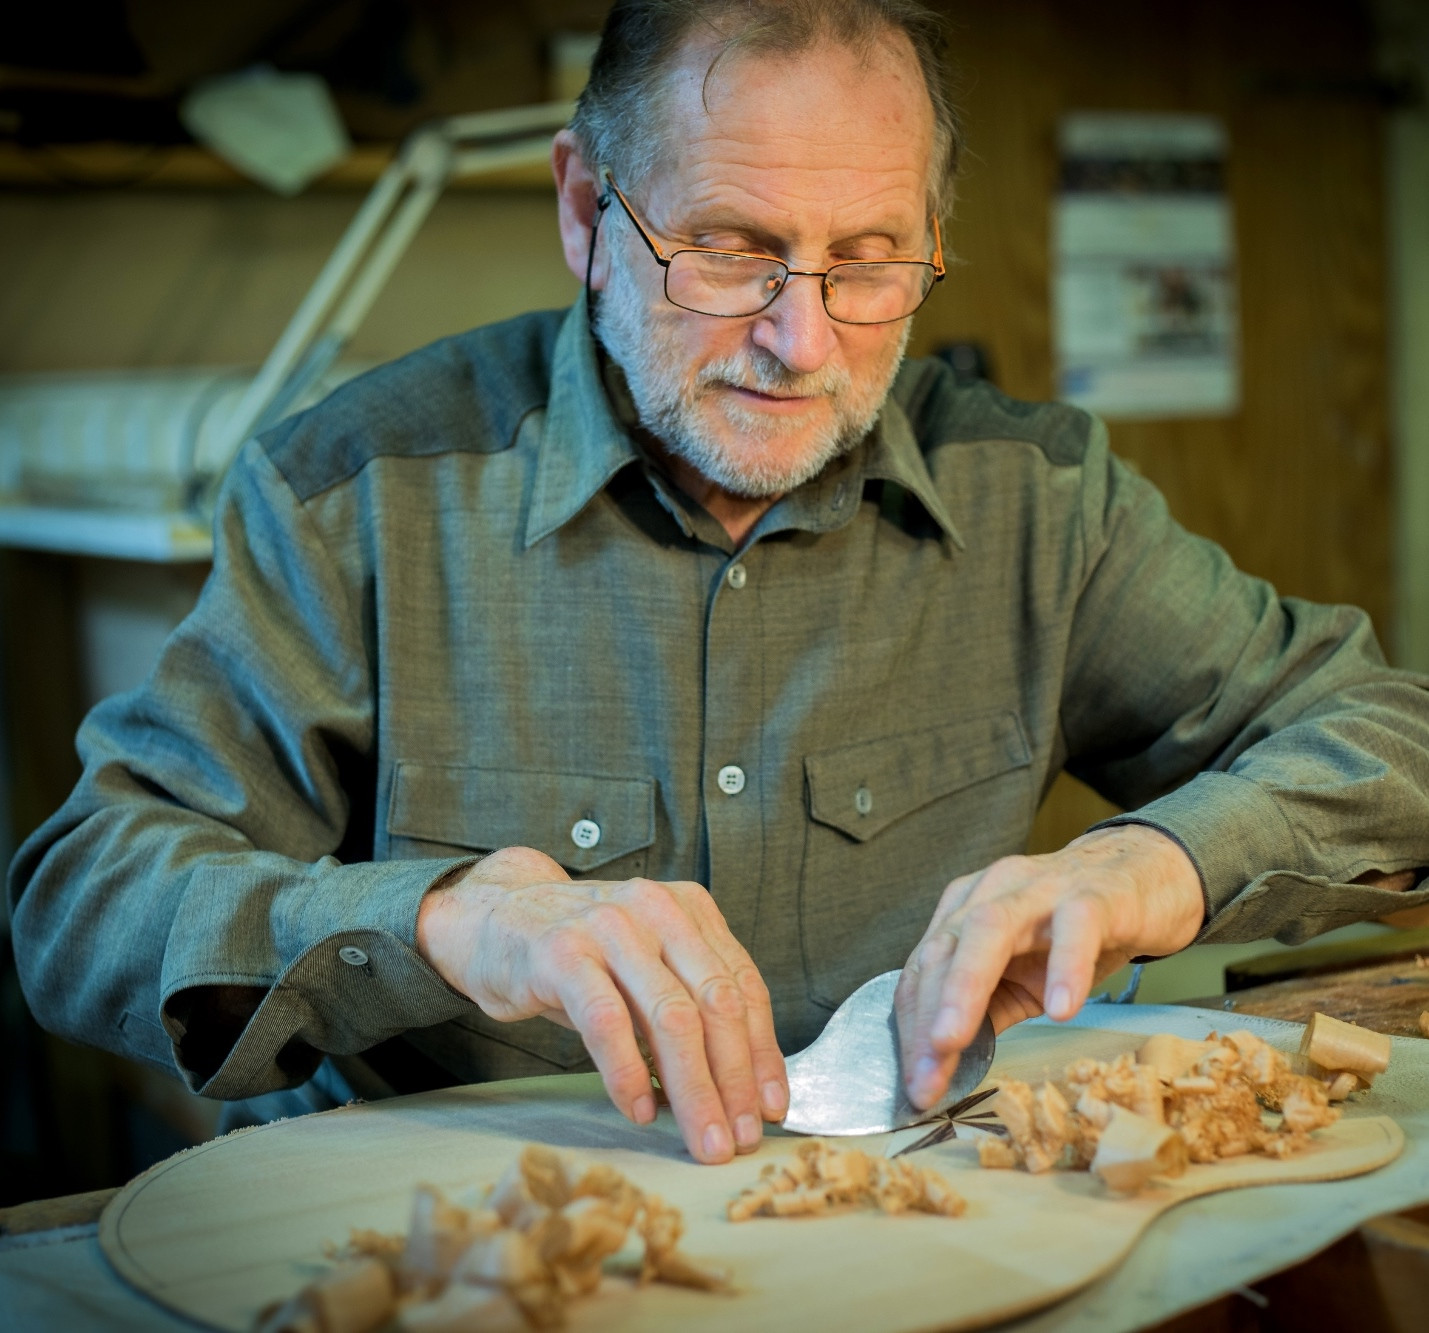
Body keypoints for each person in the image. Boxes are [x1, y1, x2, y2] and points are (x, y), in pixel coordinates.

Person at [9, 0, 1429, 1167]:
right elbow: (80, 899)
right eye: (732, 253)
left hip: (899, 1247)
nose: (799, 343)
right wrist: (460, 924)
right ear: (584, 209)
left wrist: (1156, 863)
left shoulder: (1037, 501)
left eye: (867, 264)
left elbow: (1388, 733)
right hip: (468, 1263)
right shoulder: (355, 491)